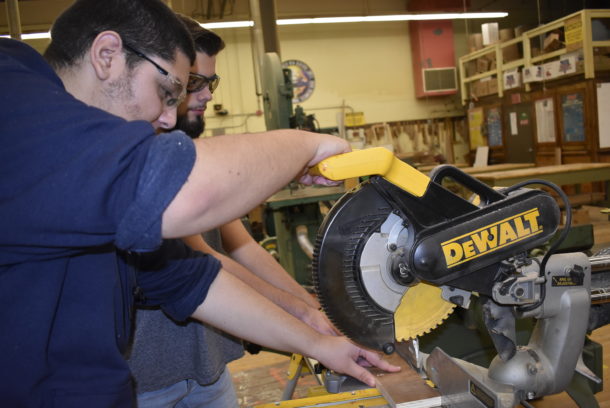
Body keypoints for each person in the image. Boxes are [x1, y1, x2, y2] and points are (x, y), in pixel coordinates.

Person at [0, 0, 399, 407]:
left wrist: (317, 342)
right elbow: (180, 194)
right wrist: (306, 146)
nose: (169, 119)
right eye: (166, 92)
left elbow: (192, 282)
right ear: (107, 56)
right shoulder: (10, 95)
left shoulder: (85, 182)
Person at [128, 18, 336, 408]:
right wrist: (302, 319)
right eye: (195, 82)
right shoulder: (144, 163)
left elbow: (243, 247)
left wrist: (311, 306)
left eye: (212, 82)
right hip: (148, 380)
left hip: (209, 368)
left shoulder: (193, 149)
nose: (207, 94)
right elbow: (205, 259)